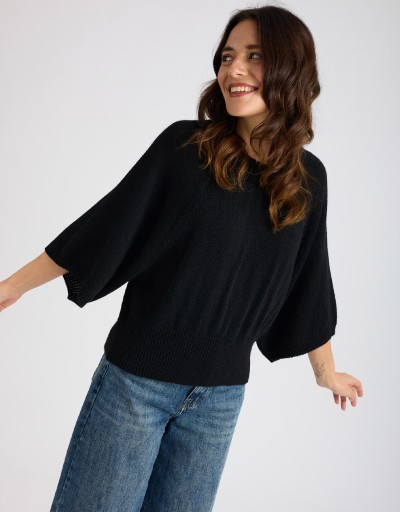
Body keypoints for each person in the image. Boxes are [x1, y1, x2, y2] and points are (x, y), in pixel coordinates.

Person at [0, 5, 363, 512]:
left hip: (220, 400)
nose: (233, 69)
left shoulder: (308, 179)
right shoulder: (186, 148)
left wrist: (326, 371)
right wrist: (10, 286)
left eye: (254, 56)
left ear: (291, 69)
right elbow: (105, 228)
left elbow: (309, 280)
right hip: (135, 386)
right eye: (227, 56)